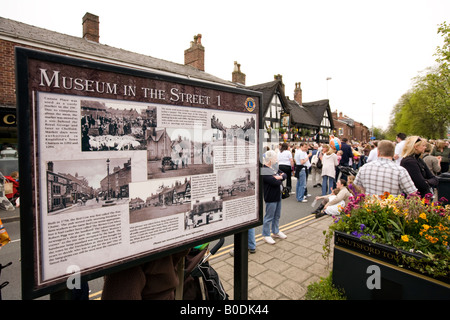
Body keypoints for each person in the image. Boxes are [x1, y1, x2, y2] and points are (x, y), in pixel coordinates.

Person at [262, 150, 287, 244]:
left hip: (278, 194)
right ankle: (266, 235)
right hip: (270, 196)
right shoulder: (264, 170)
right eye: (275, 158)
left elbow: (285, 174)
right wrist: (279, 178)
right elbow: (274, 182)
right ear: (270, 159)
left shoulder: (274, 167)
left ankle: (276, 231)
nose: (276, 160)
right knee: (269, 216)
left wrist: (279, 177)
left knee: (277, 215)